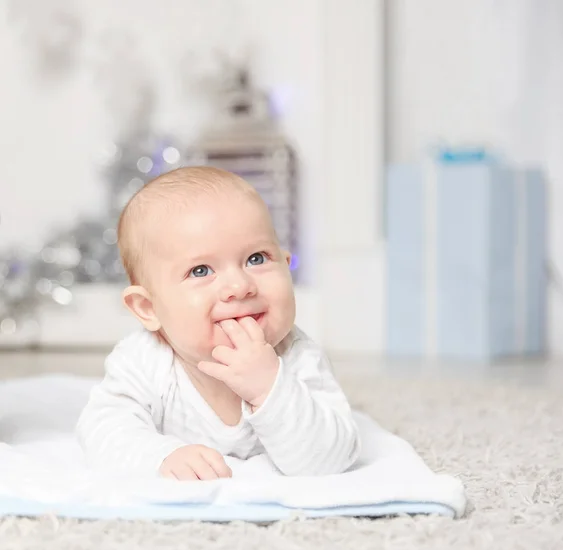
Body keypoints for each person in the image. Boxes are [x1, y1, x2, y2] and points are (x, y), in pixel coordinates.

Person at [76, 166, 360, 480]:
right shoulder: (143, 360)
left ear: (285, 261)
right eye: (201, 271)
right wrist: (161, 456)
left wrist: (269, 388)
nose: (240, 286)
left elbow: (331, 459)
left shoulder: (297, 357)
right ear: (148, 308)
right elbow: (102, 432)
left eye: (257, 258)